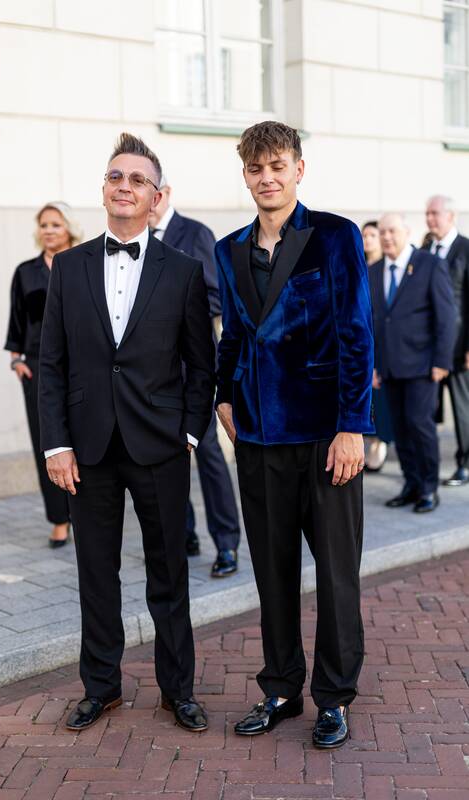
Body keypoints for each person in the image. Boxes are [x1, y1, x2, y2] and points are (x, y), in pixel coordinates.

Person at [38, 133, 215, 733]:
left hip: (160, 446)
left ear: (156, 197)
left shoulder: (184, 271)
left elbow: (202, 365)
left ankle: (178, 691)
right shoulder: (69, 267)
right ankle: (102, 688)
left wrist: (189, 435)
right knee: (96, 575)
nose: (125, 186)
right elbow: (52, 364)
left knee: (169, 575)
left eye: (138, 179)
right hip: (87, 449)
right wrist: (56, 444)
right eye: (116, 176)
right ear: (103, 189)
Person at [215, 121, 374, 749]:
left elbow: (357, 335)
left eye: (277, 166)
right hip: (257, 440)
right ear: (245, 175)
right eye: (256, 169)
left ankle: (334, 697)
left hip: (325, 438)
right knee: (272, 573)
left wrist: (352, 427)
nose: (267, 178)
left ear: (298, 170)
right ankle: (281, 688)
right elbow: (233, 335)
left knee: (336, 575)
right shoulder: (229, 249)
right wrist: (223, 397)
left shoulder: (335, 236)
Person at [148, 180, 241, 577]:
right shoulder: (136, 238)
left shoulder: (195, 233)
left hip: (194, 367)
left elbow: (217, 295)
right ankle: (185, 533)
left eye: (149, 189)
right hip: (152, 373)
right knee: (166, 456)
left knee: (208, 454)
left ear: (164, 193)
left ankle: (227, 542)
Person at [4, 202, 82, 547]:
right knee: (46, 443)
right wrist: (16, 361)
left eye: (56, 224)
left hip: (80, 366)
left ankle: (84, 512)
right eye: (44, 225)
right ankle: (59, 519)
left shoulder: (84, 264)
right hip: (37, 369)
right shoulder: (25, 272)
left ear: (69, 228)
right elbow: (16, 320)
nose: (48, 230)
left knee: (84, 439)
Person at [369, 213, 456, 513]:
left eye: (392, 231)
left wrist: (442, 361)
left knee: (420, 426)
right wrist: (373, 365)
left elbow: (446, 317)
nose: (386, 237)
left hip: (423, 366)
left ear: (406, 231)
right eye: (382, 232)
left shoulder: (430, 265)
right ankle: (411, 484)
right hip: (388, 367)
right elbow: (372, 322)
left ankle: (429, 488)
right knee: (400, 429)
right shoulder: (374, 270)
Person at [424, 195, 469, 486]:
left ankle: (465, 463)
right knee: (428, 408)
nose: (430, 219)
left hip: (458, 344)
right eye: (427, 213)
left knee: (463, 407)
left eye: (435, 213)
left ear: (451, 216)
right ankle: (426, 464)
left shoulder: (466, 248)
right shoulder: (425, 249)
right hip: (427, 345)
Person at [361, 221, 393, 472]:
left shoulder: (387, 268)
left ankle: (380, 441)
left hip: (384, 339)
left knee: (381, 393)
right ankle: (367, 437)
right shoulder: (358, 266)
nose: (368, 239)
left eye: (373, 235)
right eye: (364, 235)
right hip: (362, 336)